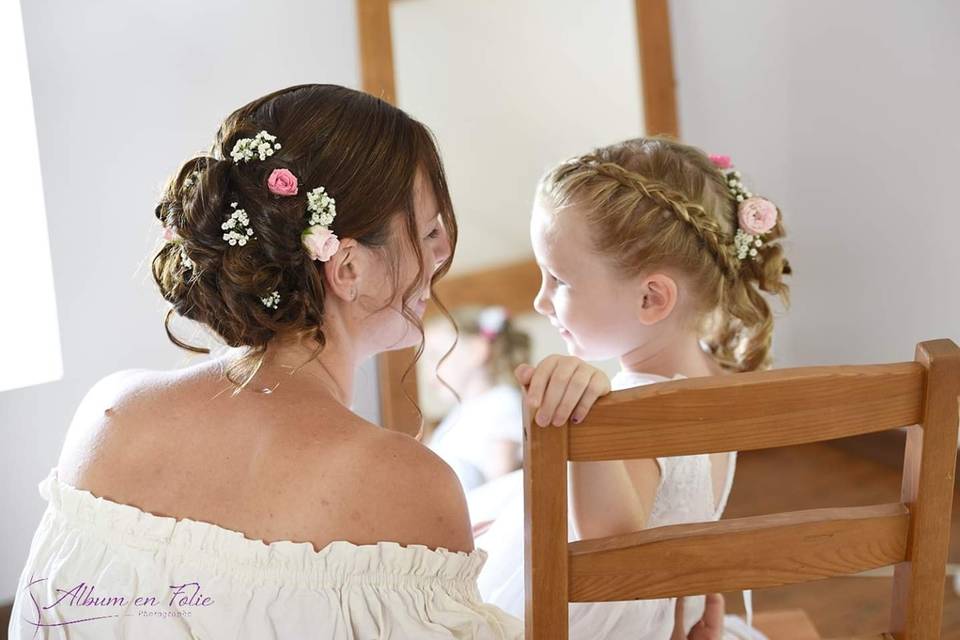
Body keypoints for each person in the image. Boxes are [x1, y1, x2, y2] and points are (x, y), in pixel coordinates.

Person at [9, 84, 530, 639]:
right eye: (428, 231)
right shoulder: (410, 484)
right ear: (347, 268)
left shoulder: (110, 415)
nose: (444, 250)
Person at [477, 137, 791, 639]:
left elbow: (611, 541)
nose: (540, 301)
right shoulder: (716, 378)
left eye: (558, 279)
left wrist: (582, 416)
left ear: (651, 298)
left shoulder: (634, 415)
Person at [424, 306, 531, 490]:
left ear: (477, 350)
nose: (428, 372)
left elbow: (498, 486)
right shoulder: (459, 414)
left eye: (435, 356)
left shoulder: (501, 404)